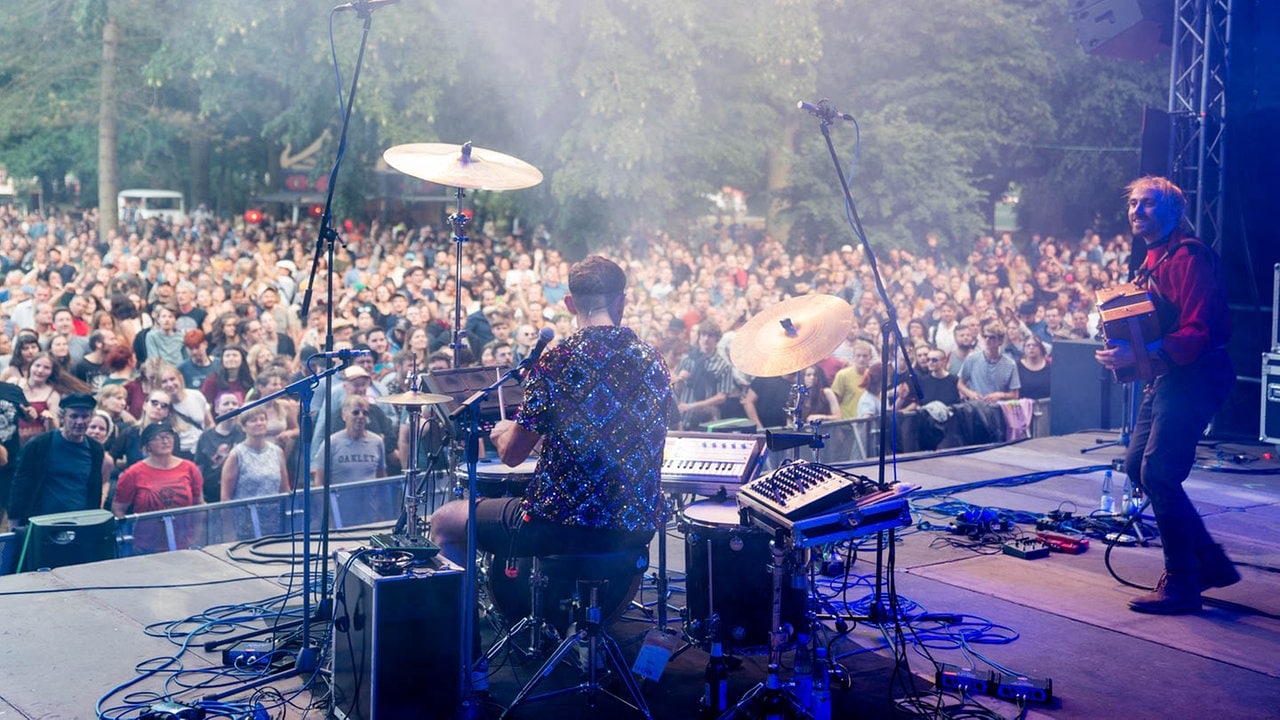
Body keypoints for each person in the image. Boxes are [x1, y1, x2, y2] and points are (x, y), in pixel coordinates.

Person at [430, 255, 671, 567]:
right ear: (621, 302)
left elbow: (513, 456)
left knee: (445, 520)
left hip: (560, 527)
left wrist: (504, 433)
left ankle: (467, 616)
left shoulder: (557, 362)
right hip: (636, 526)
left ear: (570, 304)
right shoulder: (654, 361)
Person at [1095, 176, 1237, 614]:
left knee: (1158, 470)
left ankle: (1183, 584)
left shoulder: (1189, 258)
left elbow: (1196, 331)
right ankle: (1207, 562)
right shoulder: (1152, 260)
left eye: (1149, 204)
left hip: (1197, 374)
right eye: (1133, 203)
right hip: (1170, 376)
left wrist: (1138, 352)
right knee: (1139, 465)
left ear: (1175, 212)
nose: (1137, 211)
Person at [5, 393, 105, 570]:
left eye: (85, 416)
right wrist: (15, 527)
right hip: (42, 525)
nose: (80, 421)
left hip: (79, 524)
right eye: (74, 416)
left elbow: (94, 488)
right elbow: (20, 486)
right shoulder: (40, 445)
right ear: (63, 417)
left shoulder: (95, 449)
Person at [112, 422, 204, 554]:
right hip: (146, 547)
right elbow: (118, 510)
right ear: (147, 445)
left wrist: (196, 537)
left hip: (184, 545)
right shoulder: (132, 473)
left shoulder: (189, 468)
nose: (165, 441)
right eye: (158, 437)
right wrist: (129, 541)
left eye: (168, 436)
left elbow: (199, 505)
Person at [671, 320, 734, 430]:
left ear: (717, 339)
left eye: (710, 336)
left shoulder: (723, 366)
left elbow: (721, 397)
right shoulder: (687, 359)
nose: (706, 339)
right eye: (703, 335)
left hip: (708, 419)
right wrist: (679, 380)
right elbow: (677, 391)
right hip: (685, 416)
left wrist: (692, 406)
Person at [221, 406, 289, 501]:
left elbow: (284, 490)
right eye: (253, 420)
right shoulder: (236, 455)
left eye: (262, 419)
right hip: (244, 514)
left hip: (275, 513)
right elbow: (225, 497)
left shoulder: (277, 452)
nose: (259, 423)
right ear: (244, 427)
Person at [195, 392, 247, 504]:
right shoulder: (205, 437)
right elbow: (199, 468)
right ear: (217, 409)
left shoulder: (245, 433)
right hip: (211, 495)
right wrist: (200, 497)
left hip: (239, 493)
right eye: (226, 404)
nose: (231, 407)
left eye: (234, 403)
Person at [957, 322, 1020, 402]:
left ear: (1000, 341)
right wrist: (970, 393)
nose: (987, 340)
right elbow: (960, 384)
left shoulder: (1010, 364)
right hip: (976, 408)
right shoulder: (972, 359)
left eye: (992, 337)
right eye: (985, 336)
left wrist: (1000, 395)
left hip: (998, 408)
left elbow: (1015, 394)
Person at [1017, 336, 1052, 401]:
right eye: (1028, 345)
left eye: (1034, 345)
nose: (1031, 347)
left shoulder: (1050, 367)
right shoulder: (1017, 367)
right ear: (1024, 349)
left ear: (1041, 348)